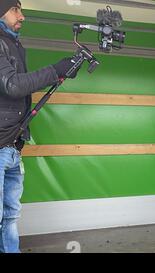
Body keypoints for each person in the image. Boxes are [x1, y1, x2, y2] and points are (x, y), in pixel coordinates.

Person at [0, 0, 80, 253]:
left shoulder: (13, 44)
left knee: (11, 215)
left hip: (12, 145)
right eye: (15, 9)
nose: (21, 15)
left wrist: (60, 72)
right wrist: (55, 69)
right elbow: (13, 85)